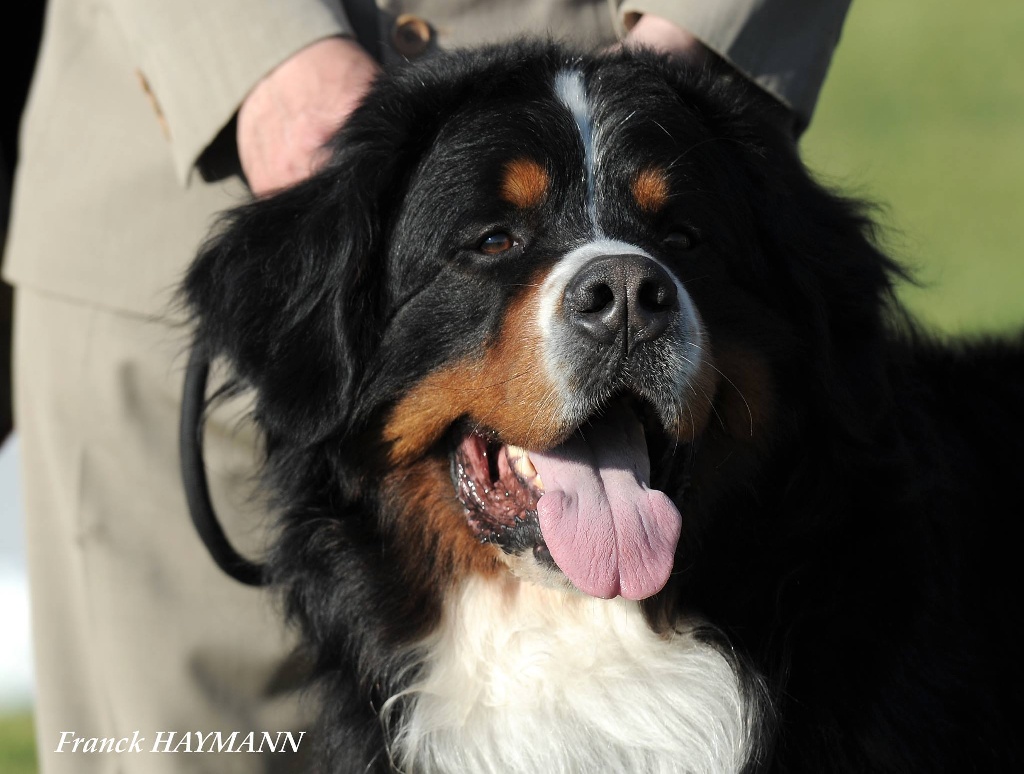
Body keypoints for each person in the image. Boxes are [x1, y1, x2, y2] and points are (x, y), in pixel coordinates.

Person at [2, 1, 850, 771]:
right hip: (186, 187)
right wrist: (260, 53)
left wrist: (705, 36)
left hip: (650, 80)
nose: (621, 292)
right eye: (494, 239)